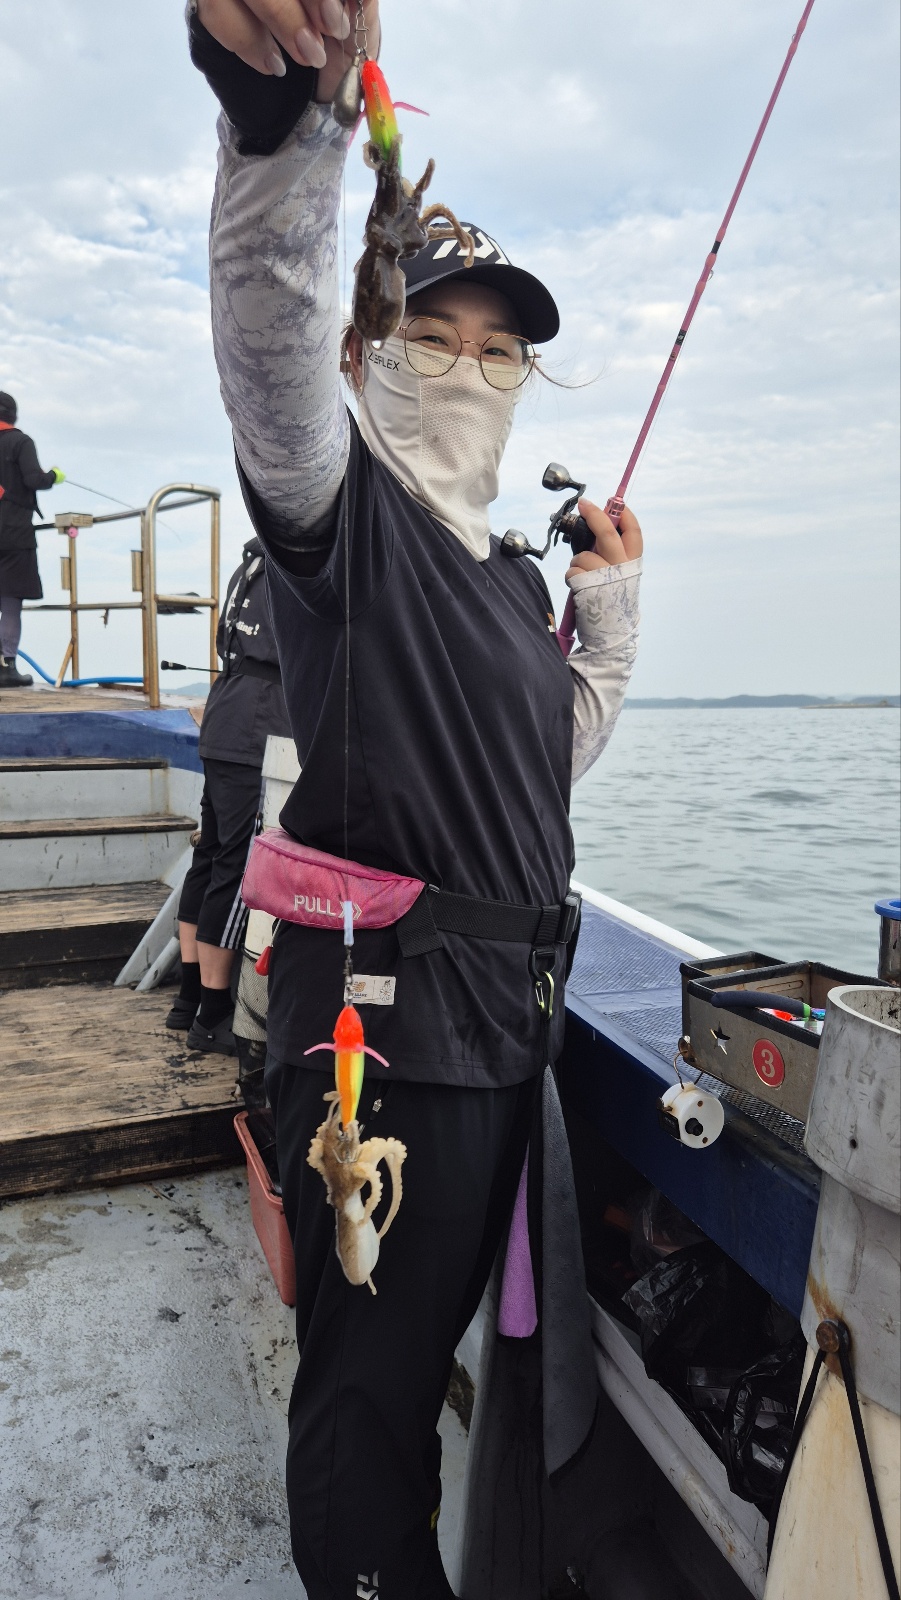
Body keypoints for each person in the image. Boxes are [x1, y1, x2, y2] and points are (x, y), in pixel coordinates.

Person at [190, 2, 643, 1594]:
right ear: (366, 353)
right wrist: (286, 128)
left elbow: (540, 766)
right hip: (382, 1052)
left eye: (499, 349)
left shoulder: (505, 578)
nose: (469, 368)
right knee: (368, 1402)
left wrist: (606, 615)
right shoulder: (341, 515)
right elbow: (266, 336)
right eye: (431, 336)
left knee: (432, 1353)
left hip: (499, 1036)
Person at [168, 533, 293, 1053]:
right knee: (237, 870)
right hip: (257, 730)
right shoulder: (291, 571)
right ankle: (214, 1013)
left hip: (224, 718)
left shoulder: (252, 564)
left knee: (209, 857)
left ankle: (188, 998)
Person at [0, 391, 64, 688]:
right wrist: (55, 475)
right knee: (10, 600)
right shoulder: (21, 442)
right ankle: (6, 667)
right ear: (12, 414)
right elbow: (34, 480)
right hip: (14, 534)